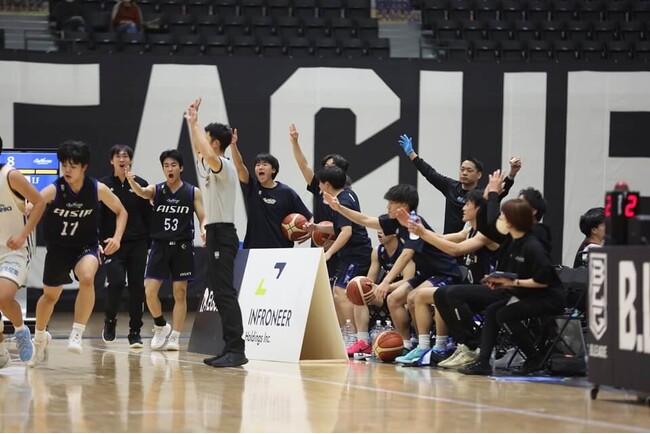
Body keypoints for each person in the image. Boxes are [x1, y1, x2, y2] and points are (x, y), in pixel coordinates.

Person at [324, 184, 462, 364]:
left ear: (403, 206)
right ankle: (407, 345)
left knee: (414, 297)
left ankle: (430, 347)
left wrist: (386, 282)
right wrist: (339, 208)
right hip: (427, 273)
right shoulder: (394, 222)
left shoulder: (414, 223)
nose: (387, 207)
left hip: (444, 272)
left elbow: (407, 255)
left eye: (391, 203)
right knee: (394, 299)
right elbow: (365, 220)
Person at [32, 140, 127, 363]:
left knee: (87, 277)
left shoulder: (96, 189)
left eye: (72, 166)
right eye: (64, 165)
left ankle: (77, 332)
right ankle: (39, 337)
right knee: (50, 297)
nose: (67, 170)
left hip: (86, 246)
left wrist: (117, 238)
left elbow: (121, 211)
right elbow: (32, 205)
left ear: (84, 167)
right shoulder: (55, 189)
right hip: (58, 248)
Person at [458, 198, 566, 376]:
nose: (499, 218)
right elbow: (514, 273)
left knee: (504, 314)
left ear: (512, 221)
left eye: (503, 215)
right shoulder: (513, 243)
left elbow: (544, 280)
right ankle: (483, 362)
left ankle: (534, 357)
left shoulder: (533, 246)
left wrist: (512, 283)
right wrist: (499, 282)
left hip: (549, 298)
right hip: (527, 294)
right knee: (493, 311)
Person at [186, 98, 248, 368]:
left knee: (225, 293)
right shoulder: (212, 164)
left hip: (223, 234)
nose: (202, 144)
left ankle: (237, 349)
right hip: (214, 232)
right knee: (220, 293)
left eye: (206, 138)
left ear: (214, 143)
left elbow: (206, 153)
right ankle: (229, 347)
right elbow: (198, 149)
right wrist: (192, 125)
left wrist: (196, 123)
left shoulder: (223, 165)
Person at [126, 149, 206, 351]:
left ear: (181, 168)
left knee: (180, 293)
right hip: (160, 246)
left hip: (182, 246)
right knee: (150, 291)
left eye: (173, 165)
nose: (169, 169)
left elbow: (202, 216)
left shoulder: (192, 192)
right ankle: (161, 325)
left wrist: (204, 229)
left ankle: (175, 337)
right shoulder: (157, 190)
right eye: (166, 166)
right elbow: (142, 193)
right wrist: (132, 182)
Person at [397, 133, 521, 234]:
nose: (464, 173)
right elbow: (429, 173)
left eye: (469, 170)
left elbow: (501, 190)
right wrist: (411, 153)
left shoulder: (481, 195)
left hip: (470, 244)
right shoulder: (450, 186)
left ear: (479, 175)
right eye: (462, 169)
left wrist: (512, 173)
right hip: (447, 243)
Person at [0, 136, 47, 367]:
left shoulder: (10, 175)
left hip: (13, 249)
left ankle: (20, 331)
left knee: (2, 296)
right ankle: (1, 351)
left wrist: (22, 235)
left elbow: (39, 202)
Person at [310, 165, 372, 336]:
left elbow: (346, 232)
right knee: (338, 293)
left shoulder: (342, 202)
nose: (319, 186)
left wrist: (329, 252)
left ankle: (355, 337)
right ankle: (346, 336)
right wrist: (316, 227)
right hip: (351, 254)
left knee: (342, 293)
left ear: (327, 184)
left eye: (320, 183)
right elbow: (340, 227)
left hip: (356, 254)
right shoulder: (347, 194)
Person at [100, 144, 152, 348]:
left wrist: (148, 243)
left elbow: (148, 216)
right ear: (111, 160)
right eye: (118, 156)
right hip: (112, 243)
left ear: (130, 160)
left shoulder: (140, 184)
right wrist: (100, 242)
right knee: (116, 282)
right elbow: (98, 216)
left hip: (138, 243)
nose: (122, 159)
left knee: (137, 287)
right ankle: (110, 320)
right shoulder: (104, 185)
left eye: (125, 156)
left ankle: (135, 331)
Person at [289, 123, 354, 280]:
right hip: (318, 246)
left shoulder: (346, 196)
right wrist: (295, 143)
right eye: (325, 166)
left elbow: (347, 229)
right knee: (315, 286)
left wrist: (332, 244)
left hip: (338, 249)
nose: (326, 170)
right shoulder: (320, 187)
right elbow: (304, 166)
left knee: (335, 290)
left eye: (331, 167)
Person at [229, 135, 312, 248]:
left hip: (280, 250)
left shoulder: (286, 192)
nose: (260, 167)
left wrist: (311, 230)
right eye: (257, 165)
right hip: (254, 249)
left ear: (273, 170)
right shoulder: (252, 187)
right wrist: (233, 145)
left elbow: (309, 217)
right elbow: (239, 166)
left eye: (264, 164)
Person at [346, 227, 416, 357]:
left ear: (395, 232)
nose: (379, 231)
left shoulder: (405, 251)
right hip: (384, 292)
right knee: (359, 294)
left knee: (397, 297)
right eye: (378, 228)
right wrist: (360, 287)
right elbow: (369, 281)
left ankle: (407, 343)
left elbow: (408, 280)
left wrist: (384, 288)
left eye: (383, 229)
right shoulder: (377, 251)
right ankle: (363, 342)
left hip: (405, 292)